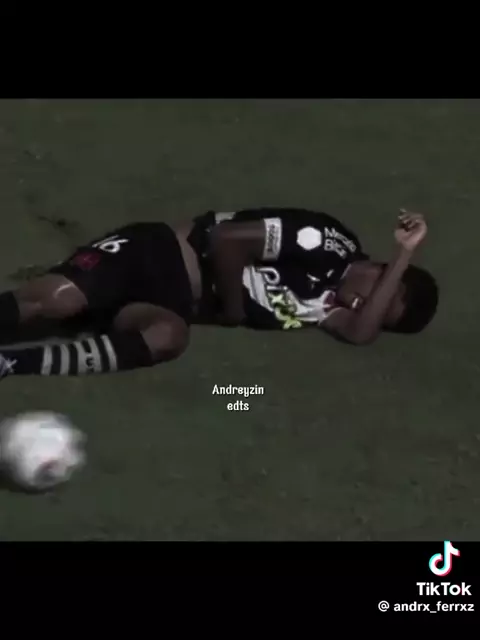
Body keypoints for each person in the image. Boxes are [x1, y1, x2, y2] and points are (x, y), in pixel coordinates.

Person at [0, 207, 438, 380]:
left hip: (169, 302)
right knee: (55, 301)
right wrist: (232, 309)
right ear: (378, 270)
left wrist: (402, 257)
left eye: (374, 311)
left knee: (169, 337)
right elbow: (228, 239)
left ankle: (9, 364)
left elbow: (361, 333)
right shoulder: (322, 242)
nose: (360, 307)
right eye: (374, 297)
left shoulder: (329, 308)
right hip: (154, 254)